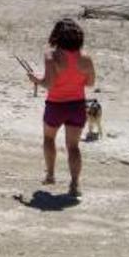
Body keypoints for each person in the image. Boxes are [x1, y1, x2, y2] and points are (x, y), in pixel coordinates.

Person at [24, 18, 96, 198]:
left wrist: (35, 79)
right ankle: (74, 184)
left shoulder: (51, 56)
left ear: (57, 36)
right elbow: (90, 83)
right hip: (77, 105)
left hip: (56, 105)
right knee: (73, 146)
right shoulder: (86, 58)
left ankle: (50, 175)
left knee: (49, 139)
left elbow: (48, 84)